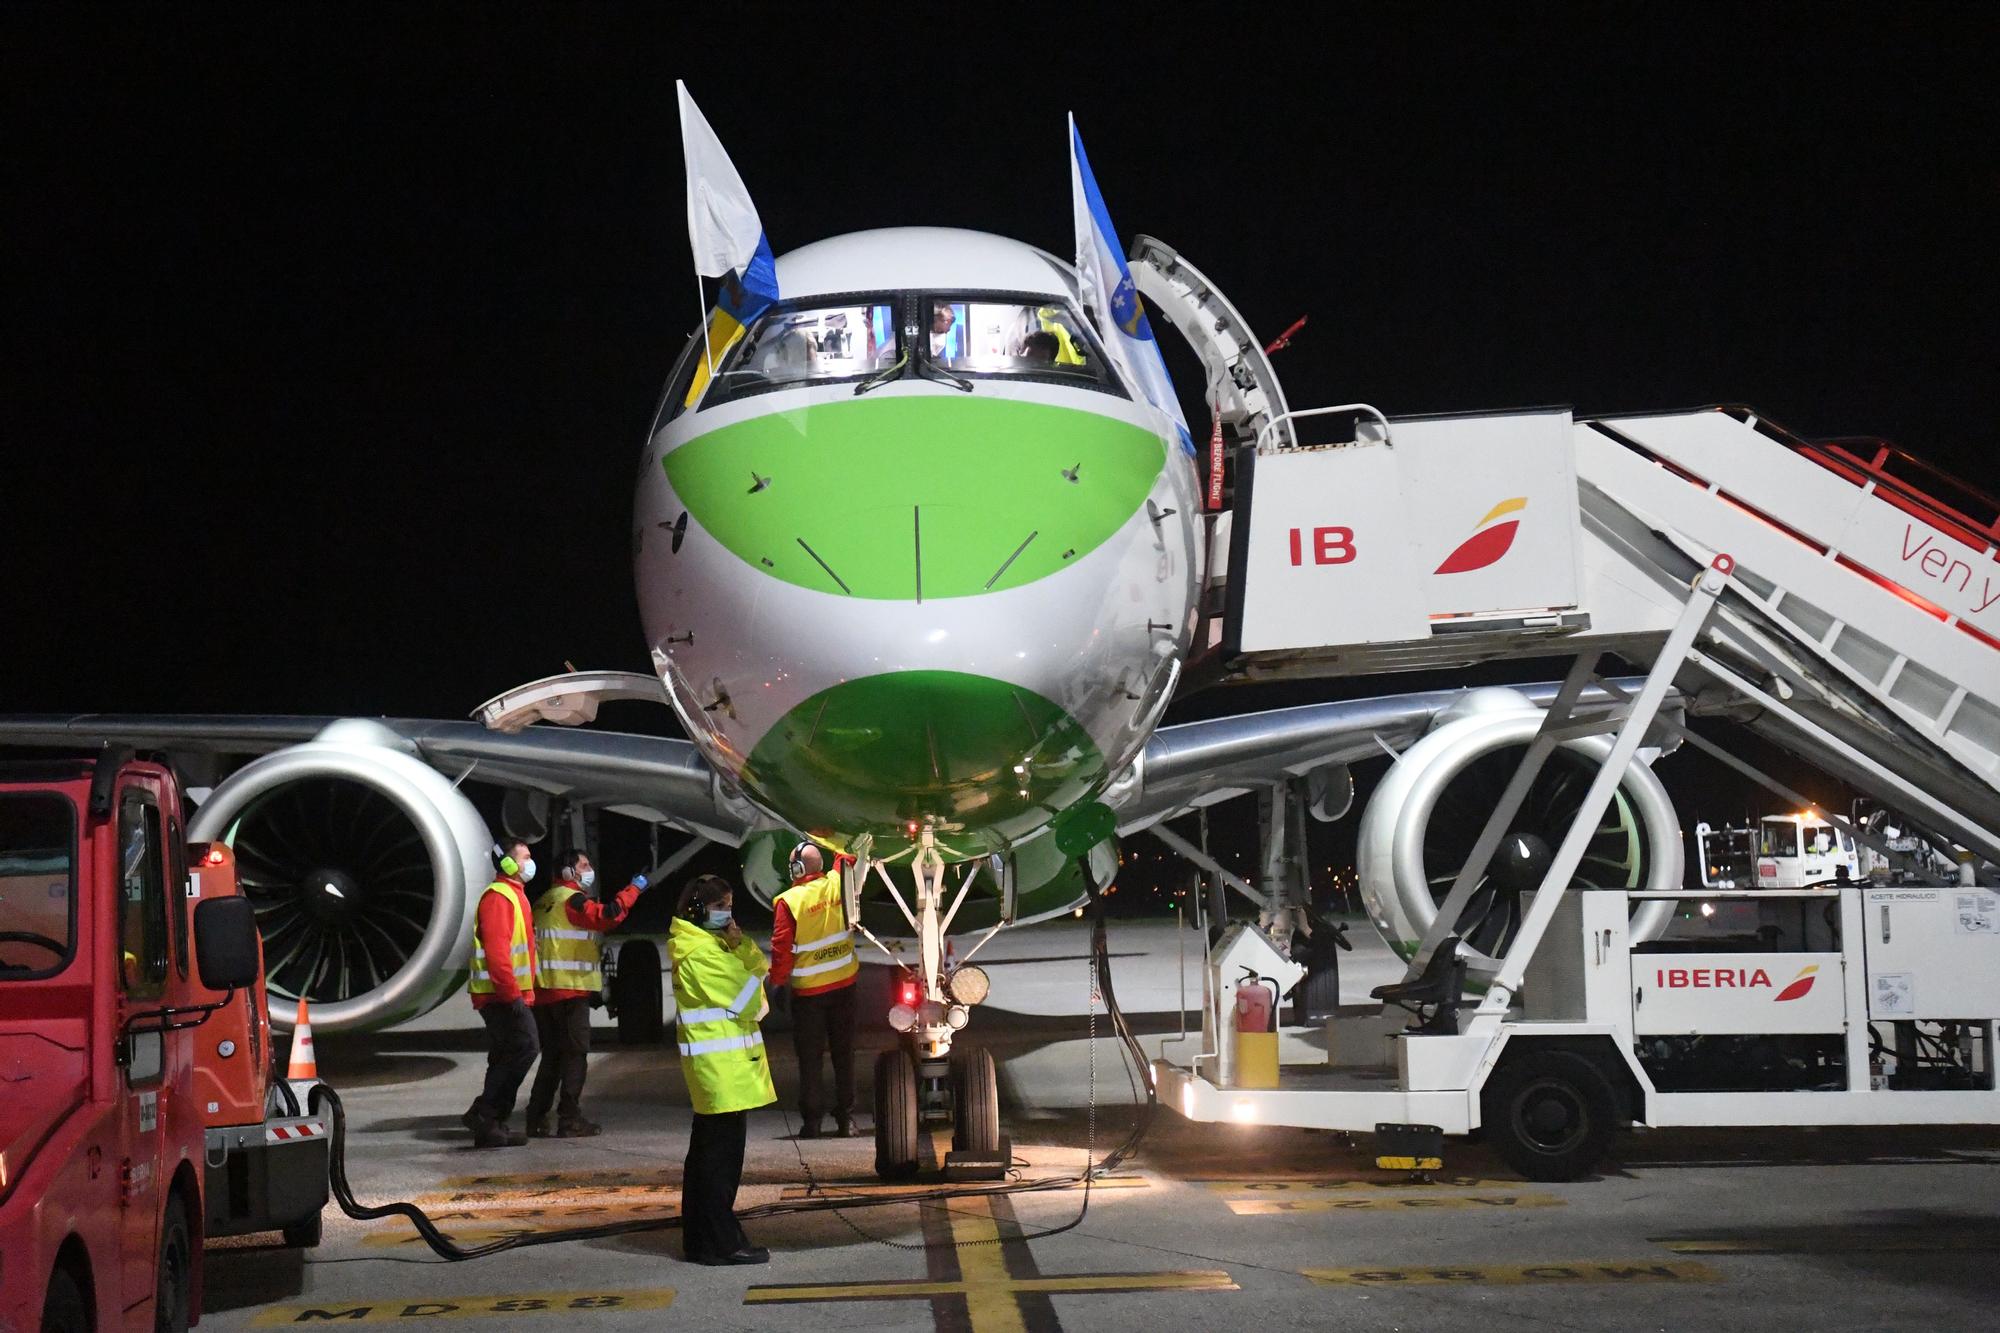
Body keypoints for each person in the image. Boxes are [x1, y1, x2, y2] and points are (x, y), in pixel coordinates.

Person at [669, 874, 775, 1265]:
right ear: (697, 910)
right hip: (721, 1071)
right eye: (719, 907)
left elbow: (756, 967)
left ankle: (700, 1240)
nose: (726, 914)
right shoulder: (701, 953)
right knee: (719, 1163)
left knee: (705, 1158)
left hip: (721, 1069)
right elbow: (751, 1000)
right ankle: (722, 1242)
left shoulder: (708, 945)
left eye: (729, 906)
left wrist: (739, 943)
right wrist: (747, 967)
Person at [524, 850, 649, 1138]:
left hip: (543, 990)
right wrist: (634, 889)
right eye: (584, 865)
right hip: (569, 989)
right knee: (575, 1054)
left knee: (552, 1056)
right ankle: (569, 1118)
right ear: (569, 873)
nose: (590, 869)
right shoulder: (573, 900)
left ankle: (536, 1116)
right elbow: (609, 916)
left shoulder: (542, 901)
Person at [770, 842, 861, 1137]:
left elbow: (781, 947)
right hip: (844, 986)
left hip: (809, 994)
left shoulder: (789, 901)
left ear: (796, 869)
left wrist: (778, 981)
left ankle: (812, 1122)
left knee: (810, 1060)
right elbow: (847, 855)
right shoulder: (837, 883)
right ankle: (847, 1119)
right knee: (843, 1054)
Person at [462, 841, 540, 1149]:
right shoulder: (499, 898)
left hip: (504, 994)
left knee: (504, 1055)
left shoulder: (514, 896)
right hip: (501, 996)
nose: (531, 862)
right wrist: (513, 996)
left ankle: (490, 1123)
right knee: (526, 1047)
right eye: (525, 857)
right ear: (507, 864)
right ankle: (487, 1113)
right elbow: (497, 953)